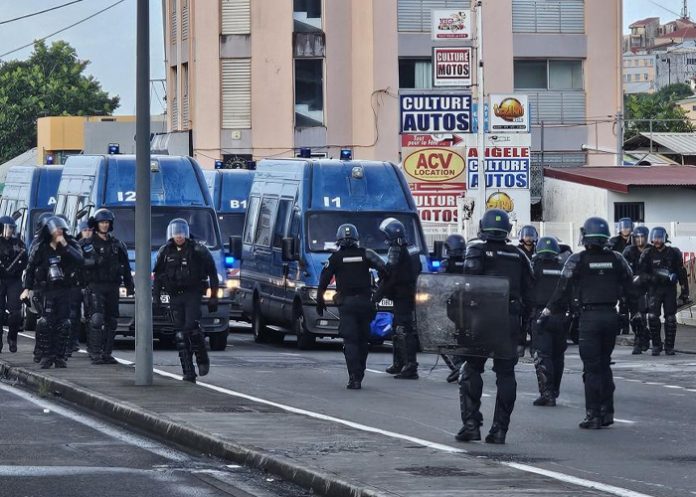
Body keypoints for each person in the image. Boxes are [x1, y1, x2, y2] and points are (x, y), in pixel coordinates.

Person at [542, 217, 633, 429]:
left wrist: (548, 311)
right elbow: (631, 287)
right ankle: (607, 411)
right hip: (611, 316)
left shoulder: (577, 259)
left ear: (585, 237)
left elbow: (561, 290)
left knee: (592, 368)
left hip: (589, 318)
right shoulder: (617, 258)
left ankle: (593, 415)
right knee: (604, 364)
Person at [456, 209, 534, 445]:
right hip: (509, 320)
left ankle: (471, 426)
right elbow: (530, 294)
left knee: (471, 369)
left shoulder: (476, 249)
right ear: (508, 230)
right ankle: (499, 431)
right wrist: (523, 333)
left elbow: (468, 284)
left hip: (482, 317)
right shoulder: (519, 255)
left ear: (483, 226)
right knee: (506, 374)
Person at [316, 224, 386, 389]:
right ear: (356, 238)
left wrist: (320, 302)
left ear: (338, 240)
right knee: (363, 340)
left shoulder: (335, 258)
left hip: (347, 304)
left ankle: (354, 377)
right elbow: (386, 270)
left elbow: (323, 281)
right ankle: (360, 372)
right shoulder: (367, 254)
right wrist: (379, 292)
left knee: (351, 341)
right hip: (365, 303)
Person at [153, 219, 219, 383]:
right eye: (176, 233)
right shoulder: (165, 252)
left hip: (193, 294)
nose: (179, 236)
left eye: (181, 233)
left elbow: (212, 273)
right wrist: (157, 299)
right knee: (180, 335)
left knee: (191, 329)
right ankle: (188, 372)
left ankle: (202, 358)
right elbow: (158, 278)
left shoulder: (198, 250)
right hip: (175, 295)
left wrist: (213, 297)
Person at [21, 216, 84, 368]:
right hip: (46, 290)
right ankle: (46, 355)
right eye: (56, 230)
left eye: (61, 230)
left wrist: (66, 246)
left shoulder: (69, 246)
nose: (58, 232)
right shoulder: (41, 248)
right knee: (46, 323)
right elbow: (30, 269)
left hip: (64, 290)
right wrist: (26, 289)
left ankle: (59, 356)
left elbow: (80, 260)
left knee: (64, 323)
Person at [80, 209, 133, 365]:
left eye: (106, 222)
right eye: (102, 222)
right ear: (96, 224)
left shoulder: (117, 244)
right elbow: (77, 262)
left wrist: (129, 284)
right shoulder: (87, 244)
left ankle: (106, 353)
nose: (104, 225)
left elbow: (126, 266)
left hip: (112, 286)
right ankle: (95, 352)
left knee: (112, 321)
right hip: (95, 285)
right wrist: (92, 263)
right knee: (96, 319)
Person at [375, 218, 422, 380]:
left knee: (403, 329)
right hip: (409, 293)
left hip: (403, 295)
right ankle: (399, 363)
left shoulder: (396, 249)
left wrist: (377, 295)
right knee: (397, 327)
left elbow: (391, 276)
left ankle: (410, 366)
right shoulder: (412, 247)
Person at [638, 227, 689, 356]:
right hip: (653, 289)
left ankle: (669, 347)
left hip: (669, 289)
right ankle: (656, 345)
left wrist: (684, 291)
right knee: (653, 317)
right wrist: (651, 277)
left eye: (660, 238)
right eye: (655, 238)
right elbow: (641, 273)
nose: (657, 241)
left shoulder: (674, 252)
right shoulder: (647, 254)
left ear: (665, 238)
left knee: (671, 318)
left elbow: (681, 272)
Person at [530, 237, 568, 407]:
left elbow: (527, 289)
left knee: (542, 355)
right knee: (558, 355)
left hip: (541, 315)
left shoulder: (534, 266)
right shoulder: (562, 267)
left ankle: (547, 393)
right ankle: (555, 390)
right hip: (561, 316)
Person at [440, 234, 466, 383]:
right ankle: (462, 365)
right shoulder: (468, 262)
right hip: (469, 307)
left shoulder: (446, 264)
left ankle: (457, 366)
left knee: (446, 337)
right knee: (463, 337)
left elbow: (439, 283)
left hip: (452, 306)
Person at [622, 226, 651, 354]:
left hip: (649, 287)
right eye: (637, 237)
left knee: (645, 315)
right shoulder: (628, 251)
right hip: (632, 288)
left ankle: (641, 341)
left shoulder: (651, 250)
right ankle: (642, 336)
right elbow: (622, 268)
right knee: (634, 317)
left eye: (642, 237)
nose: (639, 240)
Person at [0, 217, 27, 353]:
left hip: (14, 280)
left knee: (15, 312)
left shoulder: (19, 244)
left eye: (11, 228)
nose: (10, 230)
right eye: (7, 227)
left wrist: (18, 267)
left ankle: (12, 338)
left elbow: (26, 260)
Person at [609, 218, 633, 335]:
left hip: (631, 273)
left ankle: (633, 327)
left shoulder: (635, 240)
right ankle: (622, 327)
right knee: (620, 301)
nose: (625, 230)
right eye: (623, 228)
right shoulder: (614, 241)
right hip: (617, 274)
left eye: (627, 228)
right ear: (619, 229)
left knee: (631, 301)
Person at [517, 225, 538, 356]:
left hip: (534, 289)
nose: (528, 238)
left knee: (534, 320)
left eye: (530, 236)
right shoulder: (518, 251)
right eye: (526, 235)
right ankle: (520, 345)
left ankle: (534, 347)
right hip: (521, 289)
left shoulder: (538, 250)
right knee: (522, 320)